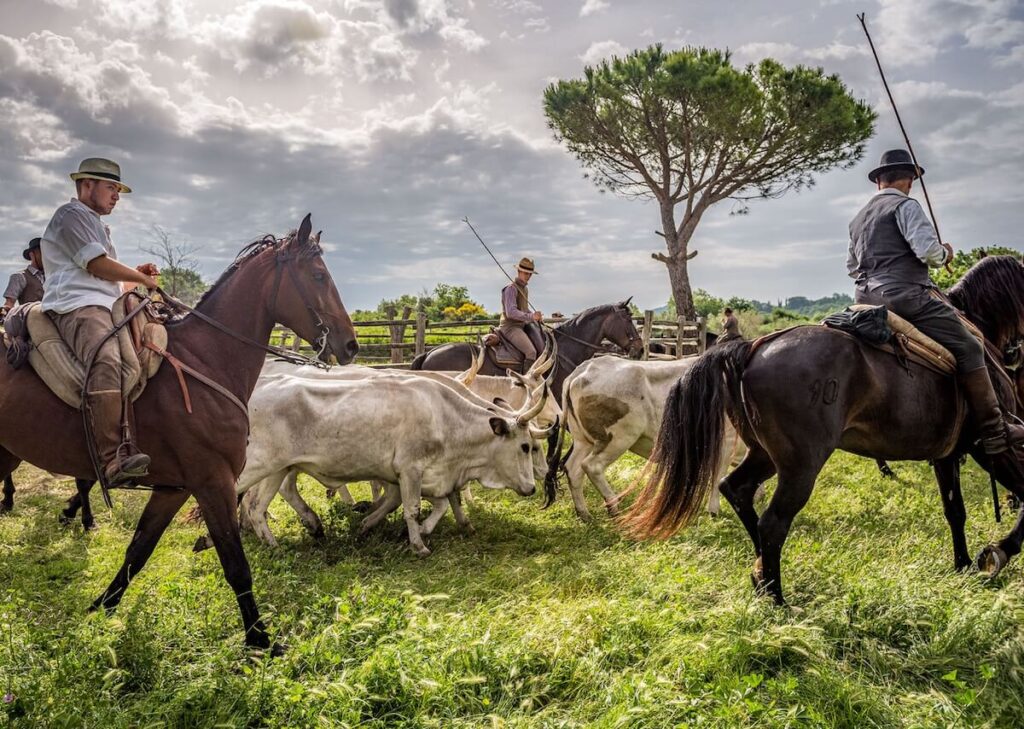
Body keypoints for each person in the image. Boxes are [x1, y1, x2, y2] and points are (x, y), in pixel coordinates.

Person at [847, 148, 1023, 455]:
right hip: (906, 298)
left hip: (864, 299)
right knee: (970, 345)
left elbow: (852, 266)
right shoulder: (906, 206)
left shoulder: (858, 218)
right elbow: (927, 253)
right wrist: (945, 253)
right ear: (909, 180)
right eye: (911, 180)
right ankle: (995, 428)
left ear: (879, 182)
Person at [40, 157, 160, 486]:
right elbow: (96, 265)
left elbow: (112, 282)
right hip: (77, 306)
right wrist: (138, 276)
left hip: (106, 304)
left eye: (119, 189)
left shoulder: (97, 224)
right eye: (111, 187)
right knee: (106, 358)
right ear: (86, 185)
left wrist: (137, 278)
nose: (117, 195)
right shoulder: (71, 215)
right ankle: (111, 458)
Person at [498, 257, 544, 371]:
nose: (528, 276)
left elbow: (524, 309)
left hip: (521, 326)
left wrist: (534, 316)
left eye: (530, 274)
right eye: (526, 273)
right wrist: (531, 316)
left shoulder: (525, 289)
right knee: (531, 352)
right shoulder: (511, 289)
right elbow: (511, 312)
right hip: (510, 328)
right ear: (519, 272)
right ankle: (526, 382)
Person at [1, 238, 46, 320]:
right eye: (42, 253)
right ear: (32, 254)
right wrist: (4, 312)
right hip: (31, 323)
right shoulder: (19, 276)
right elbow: (9, 303)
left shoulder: (52, 277)